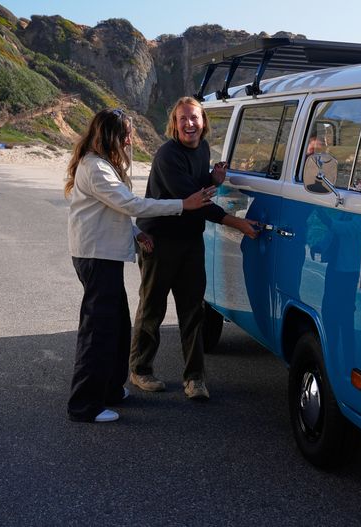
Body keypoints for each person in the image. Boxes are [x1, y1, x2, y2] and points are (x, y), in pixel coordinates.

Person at [65, 108, 215, 423]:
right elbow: (131, 204)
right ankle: (84, 405)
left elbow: (111, 210)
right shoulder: (96, 168)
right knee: (97, 332)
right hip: (96, 257)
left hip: (105, 255)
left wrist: (136, 233)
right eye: (126, 135)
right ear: (112, 136)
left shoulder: (101, 165)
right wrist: (183, 204)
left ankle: (110, 389)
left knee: (117, 326)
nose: (130, 141)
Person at [129, 96, 260, 401]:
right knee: (152, 308)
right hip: (159, 240)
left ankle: (195, 379)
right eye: (183, 119)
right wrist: (237, 223)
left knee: (193, 311)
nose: (189, 124)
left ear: (203, 122)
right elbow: (195, 202)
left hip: (190, 240)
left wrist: (213, 178)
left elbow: (198, 187)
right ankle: (140, 370)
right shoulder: (167, 155)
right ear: (174, 125)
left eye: (194, 118)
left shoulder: (202, 149)